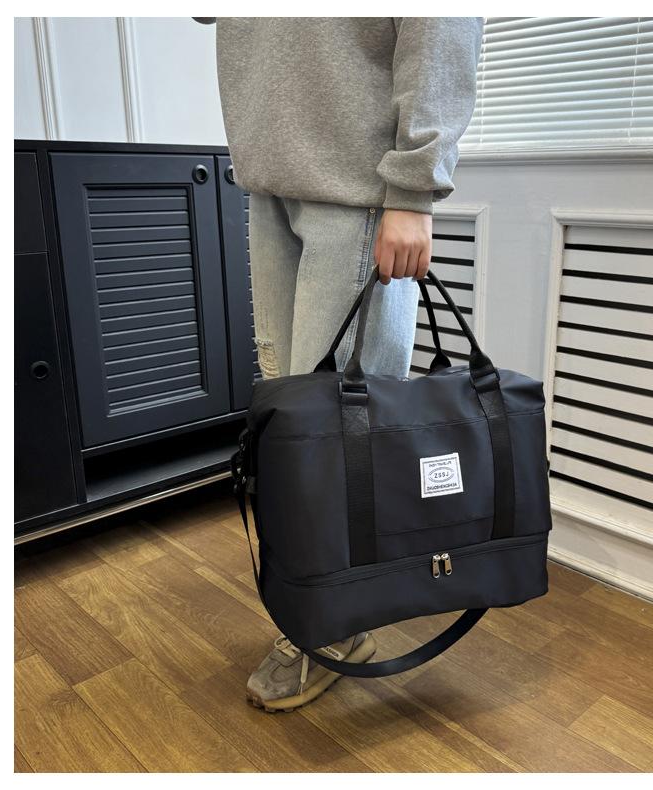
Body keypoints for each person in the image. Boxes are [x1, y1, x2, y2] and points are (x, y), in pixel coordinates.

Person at [196, 16, 483, 711]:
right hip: (269, 177)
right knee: (296, 430)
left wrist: (414, 189)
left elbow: (442, 22)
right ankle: (320, 606)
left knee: (337, 432)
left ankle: (338, 625)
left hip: (357, 185)